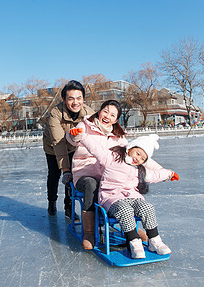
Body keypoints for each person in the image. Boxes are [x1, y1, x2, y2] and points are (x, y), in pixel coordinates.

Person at [68, 131, 179, 259]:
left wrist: (169, 174)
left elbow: (154, 175)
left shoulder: (139, 170)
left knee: (147, 208)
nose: (138, 158)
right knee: (125, 210)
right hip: (112, 198)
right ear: (130, 148)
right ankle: (134, 241)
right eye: (137, 153)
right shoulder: (111, 158)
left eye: (142, 158)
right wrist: (83, 136)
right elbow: (95, 148)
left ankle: (154, 240)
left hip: (132, 196)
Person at [66, 100, 160, 249]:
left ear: (115, 120)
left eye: (112, 115)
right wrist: (74, 135)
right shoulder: (85, 125)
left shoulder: (119, 136)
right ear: (99, 111)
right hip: (86, 171)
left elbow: (136, 155)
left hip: (108, 174)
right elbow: (72, 139)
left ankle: (133, 228)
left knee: (128, 184)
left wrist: (162, 171)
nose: (107, 116)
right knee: (92, 184)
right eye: (105, 111)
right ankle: (90, 231)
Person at [42, 80, 95, 219]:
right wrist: (65, 169)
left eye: (79, 98)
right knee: (55, 174)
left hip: (73, 146)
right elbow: (58, 143)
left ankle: (68, 208)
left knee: (73, 175)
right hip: (53, 146)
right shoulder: (56, 113)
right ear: (64, 100)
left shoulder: (89, 113)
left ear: (83, 98)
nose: (75, 102)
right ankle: (52, 201)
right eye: (71, 98)